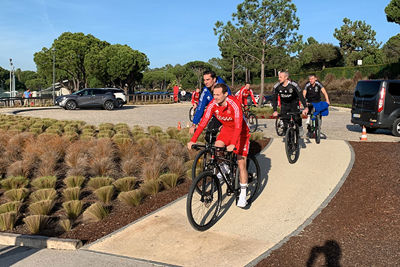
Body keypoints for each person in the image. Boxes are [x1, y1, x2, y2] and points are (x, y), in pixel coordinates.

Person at [187, 83, 250, 208]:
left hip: (241, 131)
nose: (215, 97)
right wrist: (193, 139)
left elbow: (238, 125)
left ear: (225, 94)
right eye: (214, 94)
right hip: (227, 130)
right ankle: (224, 167)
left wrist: (233, 144)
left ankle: (243, 194)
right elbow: (203, 122)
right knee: (217, 146)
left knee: (241, 163)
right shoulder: (213, 105)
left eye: (218, 95)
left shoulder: (234, 104)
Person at [190, 70, 232, 135]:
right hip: (217, 115)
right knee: (209, 134)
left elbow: (230, 105)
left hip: (228, 115)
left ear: (214, 79)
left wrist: (225, 123)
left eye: (208, 80)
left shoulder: (223, 88)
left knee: (227, 134)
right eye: (204, 80)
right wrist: (194, 124)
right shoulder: (205, 90)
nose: (205, 82)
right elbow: (200, 107)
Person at [272, 71, 308, 136]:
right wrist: (274, 110)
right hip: (284, 104)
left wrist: (305, 107)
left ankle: (300, 127)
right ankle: (288, 138)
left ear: (286, 77)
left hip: (294, 103)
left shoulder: (294, 85)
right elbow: (274, 99)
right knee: (285, 120)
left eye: (281, 77)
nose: (279, 78)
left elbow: (301, 96)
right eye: (278, 77)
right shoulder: (276, 86)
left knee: (296, 118)